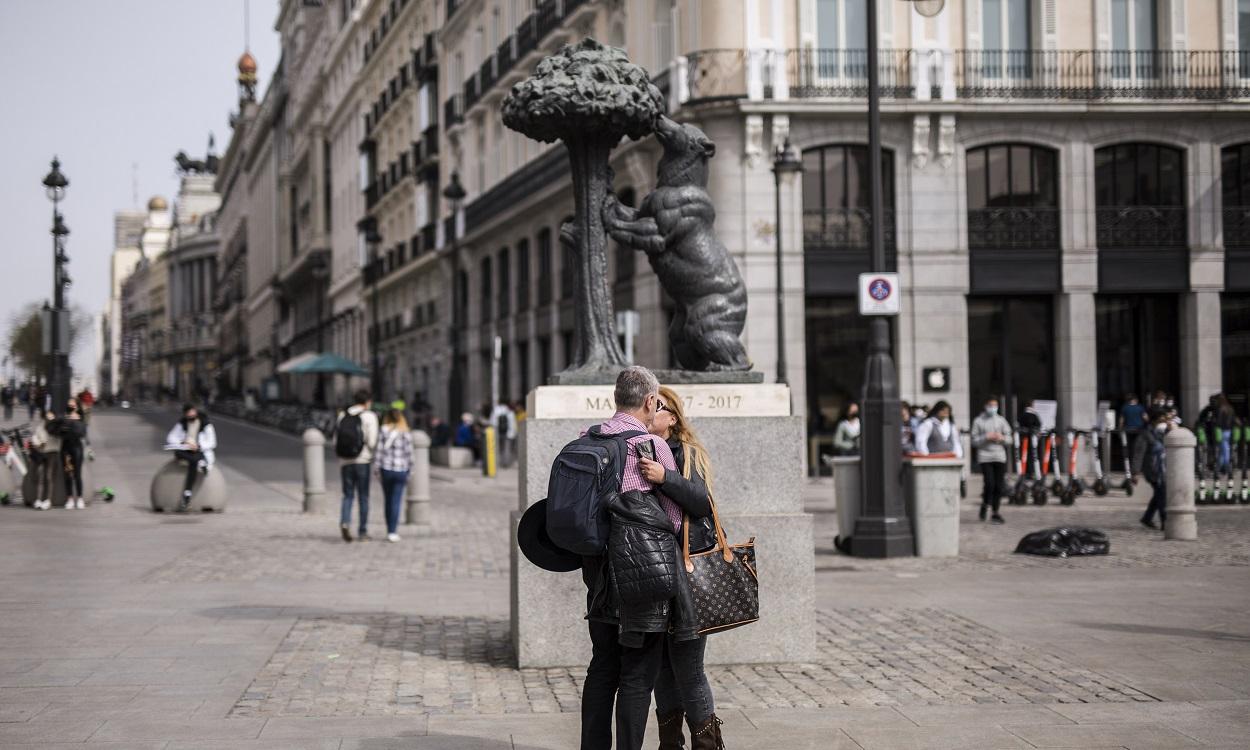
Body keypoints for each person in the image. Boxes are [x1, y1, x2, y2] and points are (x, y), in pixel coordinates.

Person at [577, 366, 690, 750]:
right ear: (649, 401)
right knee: (638, 676)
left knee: (602, 668)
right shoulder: (651, 447)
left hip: (600, 575)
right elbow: (674, 518)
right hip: (644, 579)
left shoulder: (587, 439)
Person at [645, 385, 723, 750]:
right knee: (661, 668)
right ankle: (669, 744)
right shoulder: (637, 449)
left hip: (689, 575)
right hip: (652, 573)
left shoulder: (688, 453)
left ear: (672, 418)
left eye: (655, 406)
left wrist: (665, 477)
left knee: (689, 670)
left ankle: (707, 745)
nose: (649, 411)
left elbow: (702, 503)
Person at [337, 390, 379, 542]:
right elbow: (372, 441)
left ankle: (345, 521)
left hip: (345, 460)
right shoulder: (369, 416)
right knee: (363, 496)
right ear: (367, 401)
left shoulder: (343, 415)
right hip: (362, 460)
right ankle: (362, 531)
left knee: (347, 495)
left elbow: (337, 438)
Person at [164, 403, 217, 512]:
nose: (190, 414)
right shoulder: (182, 423)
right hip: (186, 451)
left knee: (193, 462)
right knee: (180, 453)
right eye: (188, 413)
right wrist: (183, 442)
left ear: (196, 411)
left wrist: (198, 446)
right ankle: (201, 463)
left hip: (200, 451)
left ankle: (187, 495)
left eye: (192, 412)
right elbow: (170, 437)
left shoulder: (205, 424)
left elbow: (212, 442)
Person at [971, 397, 1012, 523]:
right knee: (989, 483)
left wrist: (1002, 438)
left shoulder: (1001, 420)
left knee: (999, 486)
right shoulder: (978, 421)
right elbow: (974, 441)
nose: (993, 408)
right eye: (990, 405)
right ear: (985, 405)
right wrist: (986, 437)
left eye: (995, 405)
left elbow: (1010, 439)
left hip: (999, 456)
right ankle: (985, 504)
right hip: (985, 457)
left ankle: (995, 512)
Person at [376, 408, 413, 543]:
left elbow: (379, 451)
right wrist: (410, 471)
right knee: (396, 500)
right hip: (400, 470)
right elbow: (409, 454)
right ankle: (393, 531)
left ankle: (389, 529)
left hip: (386, 469)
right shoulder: (405, 432)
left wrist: (376, 469)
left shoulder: (383, 430)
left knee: (388, 500)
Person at [55, 398, 89, 509]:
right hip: (65, 448)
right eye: (69, 405)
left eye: (73, 405)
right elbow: (58, 431)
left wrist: (74, 421)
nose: (70, 407)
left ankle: (80, 498)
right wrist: (65, 421)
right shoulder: (63, 417)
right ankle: (69, 498)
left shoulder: (80, 418)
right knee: (67, 474)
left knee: (77, 474)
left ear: (77, 407)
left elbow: (82, 433)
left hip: (76, 448)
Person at [1140, 408, 1170, 530]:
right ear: (1155, 420)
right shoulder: (1146, 433)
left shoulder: (1163, 432)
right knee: (1162, 494)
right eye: (1162, 419)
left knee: (1159, 494)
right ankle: (1165, 521)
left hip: (1162, 468)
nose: (1164, 422)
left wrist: (1170, 428)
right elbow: (1139, 452)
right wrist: (1135, 472)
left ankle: (1147, 518)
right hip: (1152, 469)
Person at [29, 410, 60, 510]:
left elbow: (58, 440)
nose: (49, 416)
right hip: (41, 452)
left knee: (49, 476)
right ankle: (38, 499)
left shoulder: (56, 426)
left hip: (51, 452)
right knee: (40, 475)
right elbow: (35, 436)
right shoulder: (41, 425)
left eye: (51, 414)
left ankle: (48, 500)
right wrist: (37, 442)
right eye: (47, 414)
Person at [1119, 393, 1148, 484]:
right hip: (1139, 431)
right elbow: (1145, 418)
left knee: (1130, 451)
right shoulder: (1140, 408)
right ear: (1135, 400)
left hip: (1128, 431)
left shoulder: (1124, 408)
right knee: (1138, 452)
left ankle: (1129, 470)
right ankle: (1135, 473)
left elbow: (1121, 420)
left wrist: (1120, 430)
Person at [490, 400, 518, 468]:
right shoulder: (510, 412)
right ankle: (506, 463)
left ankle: (498, 463)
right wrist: (514, 433)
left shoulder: (496, 410)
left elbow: (492, 422)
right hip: (508, 434)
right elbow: (513, 424)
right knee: (507, 448)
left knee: (498, 448)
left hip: (498, 433)